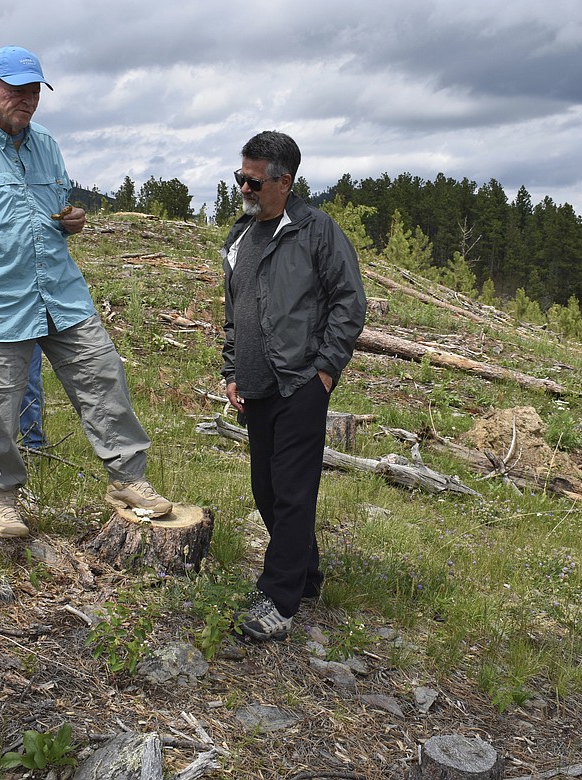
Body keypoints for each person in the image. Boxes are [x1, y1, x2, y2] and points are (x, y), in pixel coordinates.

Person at [0, 45, 172, 539]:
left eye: (33, 91)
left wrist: (73, 220)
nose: (26, 100)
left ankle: (128, 480)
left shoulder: (46, 143)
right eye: (15, 90)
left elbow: (50, 211)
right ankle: (0, 500)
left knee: (103, 377)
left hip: (61, 295)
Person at [221, 131, 366, 640]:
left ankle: (278, 602)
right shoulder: (239, 238)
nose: (244, 188)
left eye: (254, 181)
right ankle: (305, 577)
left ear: (285, 181)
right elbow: (234, 313)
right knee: (266, 488)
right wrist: (231, 370)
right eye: (240, 177)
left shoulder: (316, 231)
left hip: (301, 383)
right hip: (256, 388)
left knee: (292, 492)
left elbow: (351, 302)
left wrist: (326, 369)